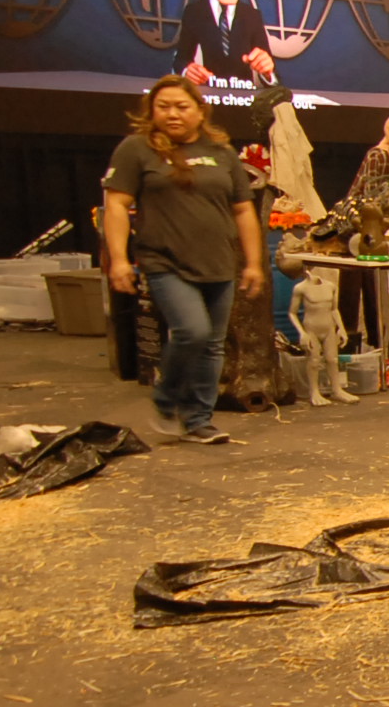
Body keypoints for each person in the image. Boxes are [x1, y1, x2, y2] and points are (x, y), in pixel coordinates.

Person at [104, 74, 267, 442]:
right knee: (192, 331)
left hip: (218, 262)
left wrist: (254, 263)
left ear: (200, 111)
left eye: (181, 106)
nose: (172, 114)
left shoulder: (222, 154)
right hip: (164, 262)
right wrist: (118, 260)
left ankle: (198, 420)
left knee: (212, 344)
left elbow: (244, 210)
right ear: (152, 111)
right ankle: (167, 398)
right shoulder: (137, 150)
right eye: (163, 107)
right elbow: (116, 205)